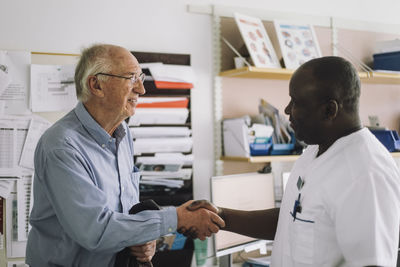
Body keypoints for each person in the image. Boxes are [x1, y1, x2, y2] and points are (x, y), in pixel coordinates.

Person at [187, 56, 400, 266]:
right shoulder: (314, 150)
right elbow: (292, 220)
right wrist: (220, 216)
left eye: (296, 102)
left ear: (330, 110)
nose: (287, 110)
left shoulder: (366, 174)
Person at [26, 44, 224, 267]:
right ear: (97, 85)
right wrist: (176, 218)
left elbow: (125, 213)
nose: (141, 89)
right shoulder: (62, 145)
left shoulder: (123, 133)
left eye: (140, 77)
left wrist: (142, 239)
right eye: (131, 78)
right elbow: (96, 231)